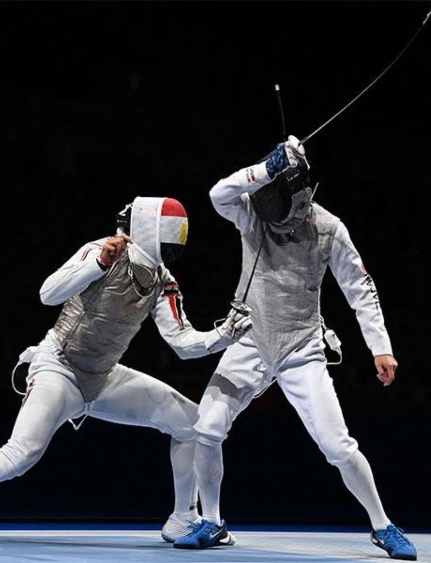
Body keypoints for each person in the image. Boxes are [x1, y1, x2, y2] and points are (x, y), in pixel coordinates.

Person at [0, 196, 252, 543]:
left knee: (191, 424)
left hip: (104, 377)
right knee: (18, 457)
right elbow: (48, 293)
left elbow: (183, 344)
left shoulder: (162, 280)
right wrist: (98, 264)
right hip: (59, 368)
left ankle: (182, 519)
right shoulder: (101, 251)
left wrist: (224, 335)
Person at [173, 136, 418, 561]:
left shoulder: (329, 229)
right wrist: (264, 170)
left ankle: (383, 525)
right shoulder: (253, 216)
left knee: (337, 446)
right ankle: (212, 521)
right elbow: (218, 194)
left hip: (300, 346)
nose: (277, 223)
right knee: (207, 429)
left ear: (303, 201)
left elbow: (360, 288)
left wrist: (380, 346)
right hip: (249, 337)